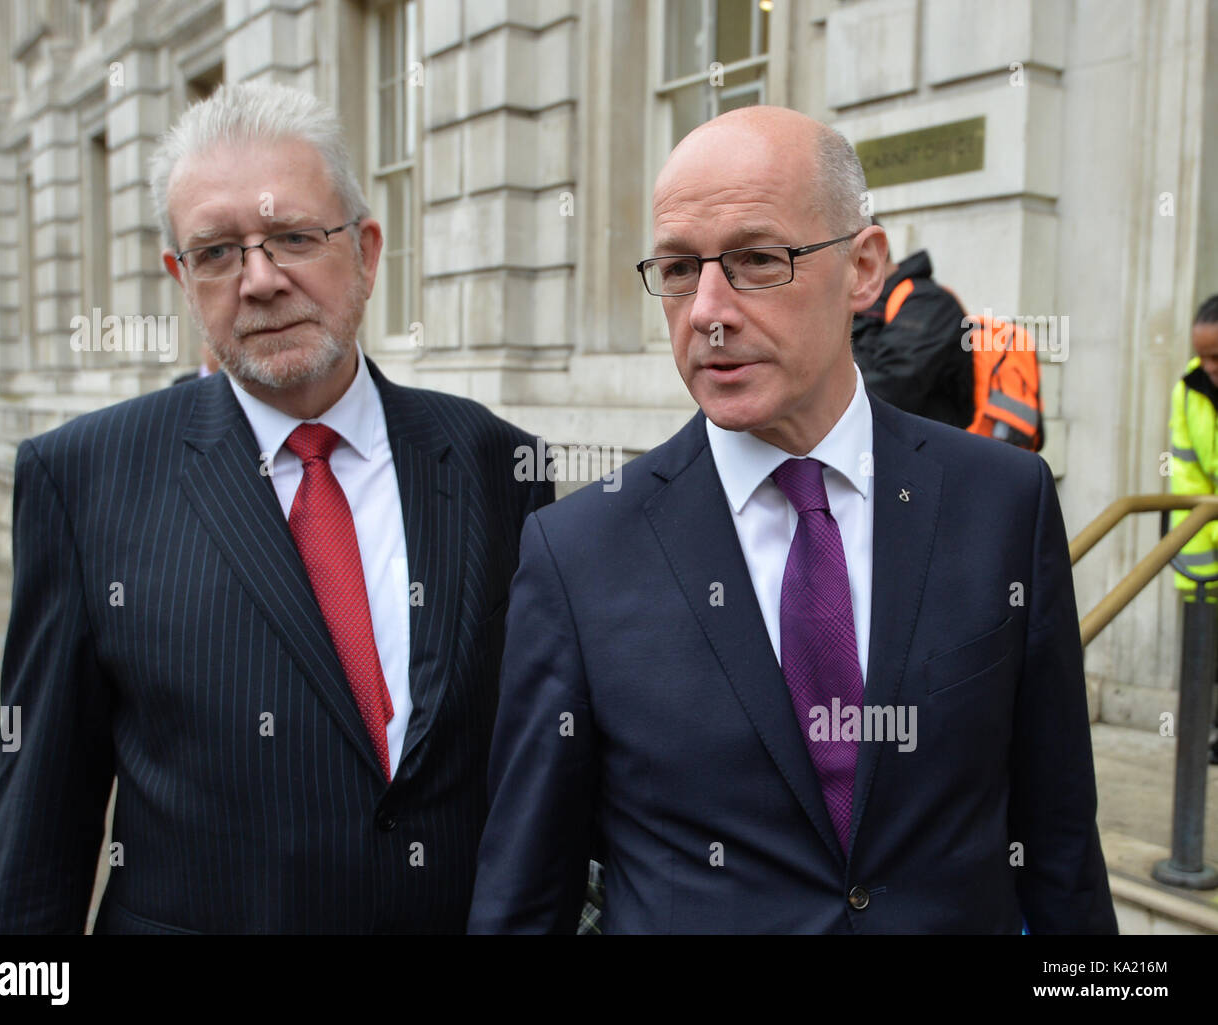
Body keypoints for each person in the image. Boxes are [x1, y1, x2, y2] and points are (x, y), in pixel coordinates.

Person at [468, 106, 1116, 934]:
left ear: (864, 267)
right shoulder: (578, 551)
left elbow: (1059, 849)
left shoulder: (1004, 503)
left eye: (756, 259)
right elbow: (526, 894)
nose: (708, 309)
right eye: (677, 269)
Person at [0, 82, 554, 934]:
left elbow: (536, 772)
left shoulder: (496, 462)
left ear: (365, 250)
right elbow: (41, 831)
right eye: (216, 251)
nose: (259, 279)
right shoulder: (81, 478)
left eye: (292, 237)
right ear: (182, 276)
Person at [1166, 293, 1218, 762]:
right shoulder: (1189, 386)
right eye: (1202, 355)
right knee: (1207, 658)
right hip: (1205, 546)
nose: (1210, 366)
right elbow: (1185, 471)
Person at [850, 234, 973, 428]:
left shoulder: (929, 303)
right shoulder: (870, 305)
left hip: (928, 450)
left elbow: (891, 387)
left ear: (868, 255)